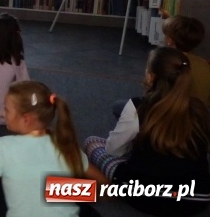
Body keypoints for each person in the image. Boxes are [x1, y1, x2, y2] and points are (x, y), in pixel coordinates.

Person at [83, 47, 210, 217]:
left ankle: (109, 188)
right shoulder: (200, 109)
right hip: (198, 199)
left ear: (151, 76)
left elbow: (113, 150)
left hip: (146, 197)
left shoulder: (138, 107)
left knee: (92, 142)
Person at [0, 81, 106, 217]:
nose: (2, 112)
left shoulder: (2, 147)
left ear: (26, 119)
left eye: (6, 108)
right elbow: (104, 184)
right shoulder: (66, 146)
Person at [162, 15, 210, 105]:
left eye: (165, 35)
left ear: (169, 41)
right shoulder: (204, 64)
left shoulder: (165, 63)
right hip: (201, 115)